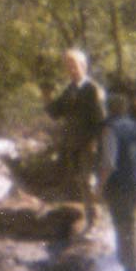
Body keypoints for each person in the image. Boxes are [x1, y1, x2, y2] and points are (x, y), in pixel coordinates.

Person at [46, 48, 106, 227]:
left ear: (83, 66)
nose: (71, 70)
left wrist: (96, 143)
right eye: (68, 66)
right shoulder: (70, 89)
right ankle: (90, 219)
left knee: (88, 181)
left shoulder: (92, 89)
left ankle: (95, 221)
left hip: (89, 144)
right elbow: (55, 112)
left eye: (74, 66)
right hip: (73, 143)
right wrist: (46, 96)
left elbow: (101, 120)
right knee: (81, 182)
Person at [98, 93, 136, 271]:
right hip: (135, 181)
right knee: (129, 225)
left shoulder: (109, 128)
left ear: (108, 109)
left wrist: (99, 186)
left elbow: (109, 163)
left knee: (122, 226)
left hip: (118, 184)